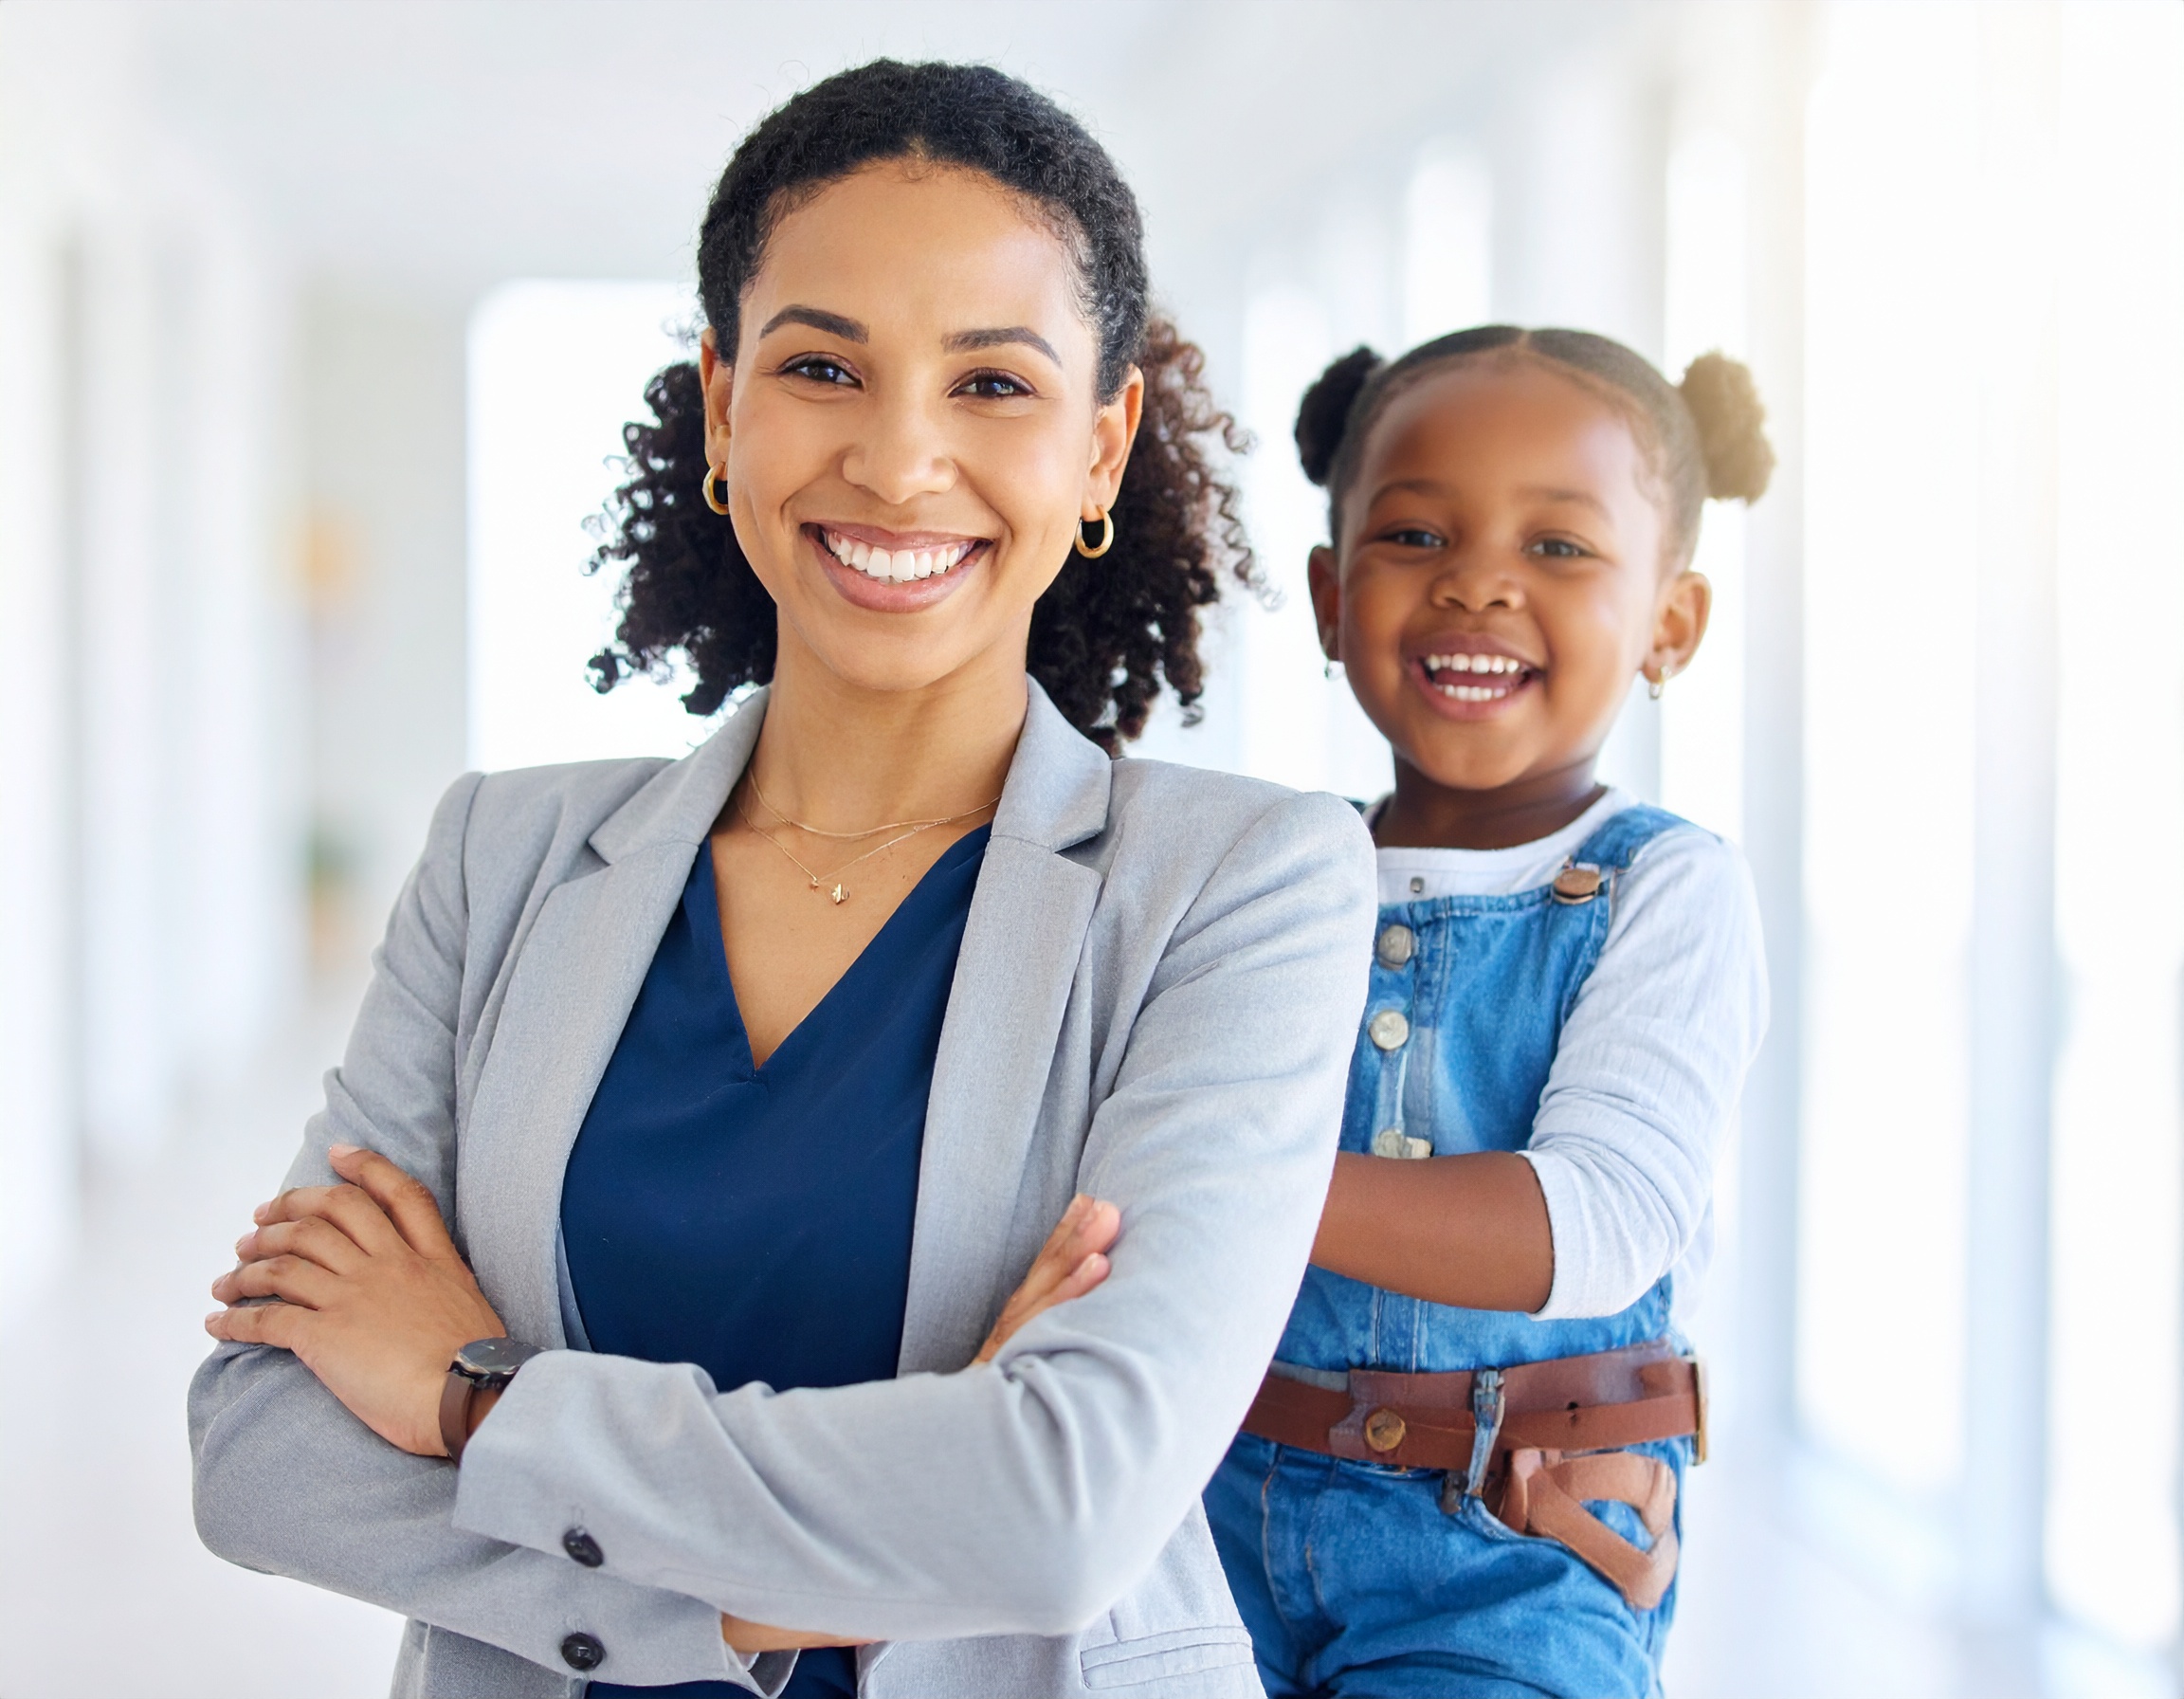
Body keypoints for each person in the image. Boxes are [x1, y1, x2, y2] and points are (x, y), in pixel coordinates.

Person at [189, 61, 1376, 1699]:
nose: (897, 465)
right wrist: (789, 1591)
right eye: (824, 365)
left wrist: (473, 1395)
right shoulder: (503, 858)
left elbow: (1064, 1509)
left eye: (991, 386)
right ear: (725, 402)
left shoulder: (1241, 888)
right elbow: (262, 1448)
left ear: (1101, 451)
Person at [1202, 327, 1774, 1698]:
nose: (1476, 584)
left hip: (1514, 1547)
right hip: (1204, 1519)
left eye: (1560, 550)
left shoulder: (1663, 887)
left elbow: (1599, 1218)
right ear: (1333, 598)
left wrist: (1218, 1180)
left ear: (1668, 625)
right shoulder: (1259, 872)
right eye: (1413, 535)